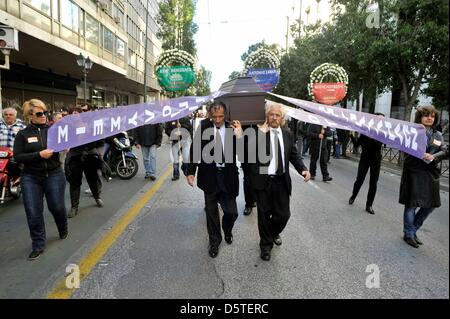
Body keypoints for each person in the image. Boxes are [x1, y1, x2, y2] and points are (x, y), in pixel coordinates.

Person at [250, 102, 311, 261]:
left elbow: (293, 155)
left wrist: (303, 169)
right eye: (271, 114)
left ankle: (272, 233)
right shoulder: (258, 132)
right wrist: (260, 135)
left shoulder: (287, 134)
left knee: (283, 215)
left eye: (277, 115)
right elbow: (249, 154)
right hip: (263, 179)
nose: (274, 117)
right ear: (267, 116)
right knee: (263, 216)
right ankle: (265, 246)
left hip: (281, 181)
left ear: (282, 118)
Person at [185, 101, 242, 258]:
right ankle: (214, 242)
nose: (217, 120)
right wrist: (191, 171)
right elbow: (195, 149)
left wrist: (240, 137)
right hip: (209, 175)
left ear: (226, 115)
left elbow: (243, 154)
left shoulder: (233, 127)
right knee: (211, 213)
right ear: (210, 115)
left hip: (228, 176)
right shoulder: (203, 127)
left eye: (221, 116)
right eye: (215, 116)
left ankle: (228, 230)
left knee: (231, 213)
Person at [13, 99, 68, 260]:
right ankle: (38, 244)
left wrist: (65, 146)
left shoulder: (54, 130)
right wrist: (39, 155)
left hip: (54, 174)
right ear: (30, 116)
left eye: (45, 112)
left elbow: (65, 143)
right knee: (33, 212)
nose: (43, 115)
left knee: (57, 207)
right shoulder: (23, 134)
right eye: (39, 113)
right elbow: (18, 157)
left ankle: (63, 227)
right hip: (31, 177)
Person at [399, 106, 449, 248]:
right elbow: (404, 152)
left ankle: (412, 230)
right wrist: (420, 154)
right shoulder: (411, 132)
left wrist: (433, 156)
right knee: (411, 204)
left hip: (430, 174)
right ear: (420, 117)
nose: (429, 118)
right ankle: (409, 234)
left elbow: (444, 151)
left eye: (432, 116)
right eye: (426, 115)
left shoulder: (438, 135)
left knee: (431, 205)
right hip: (414, 172)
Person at [65, 103, 105, 218]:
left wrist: (99, 153)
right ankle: (74, 207)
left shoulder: (90, 125)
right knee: (75, 182)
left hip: (90, 155)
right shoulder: (68, 127)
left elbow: (99, 139)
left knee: (92, 179)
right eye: (73, 113)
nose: (76, 115)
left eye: (78, 113)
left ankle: (97, 197)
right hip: (75, 157)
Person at [348, 113, 385, 215]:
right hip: (365, 159)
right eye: (378, 119)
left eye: (382, 120)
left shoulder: (382, 133)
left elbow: (379, 145)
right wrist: (351, 135)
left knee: (373, 183)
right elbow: (356, 145)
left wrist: (372, 137)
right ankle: (353, 196)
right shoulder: (365, 131)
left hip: (376, 160)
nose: (380, 121)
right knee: (359, 179)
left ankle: (369, 205)